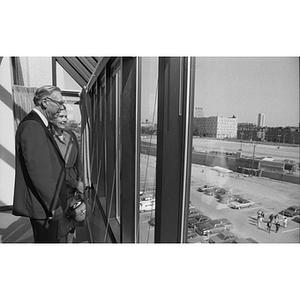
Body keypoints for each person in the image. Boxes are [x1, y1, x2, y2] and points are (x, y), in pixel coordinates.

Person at [13, 85, 67, 243]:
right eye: (59, 103)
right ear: (45, 102)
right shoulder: (33, 126)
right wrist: (54, 205)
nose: (61, 108)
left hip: (43, 205)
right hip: (44, 207)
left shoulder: (38, 124)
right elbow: (39, 173)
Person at [50, 105, 86, 243]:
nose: (65, 120)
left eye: (66, 116)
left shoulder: (71, 135)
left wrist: (80, 180)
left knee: (74, 215)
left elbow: (78, 160)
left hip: (74, 183)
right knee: (61, 221)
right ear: (52, 118)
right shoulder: (50, 138)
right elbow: (54, 168)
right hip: (60, 185)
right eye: (60, 116)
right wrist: (74, 183)